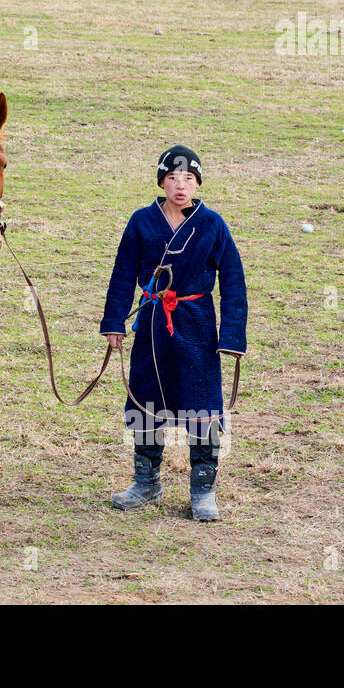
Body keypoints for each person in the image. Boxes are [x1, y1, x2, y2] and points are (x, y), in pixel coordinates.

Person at [100, 146, 248, 523]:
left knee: (203, 405)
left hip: (196, 322)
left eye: (188, 179)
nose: (180, 186)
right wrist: (114, 323)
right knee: (145, 401)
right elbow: (122, 274)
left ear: (197, 182)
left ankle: (203, 491)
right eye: (172, 178)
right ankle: (146, 482)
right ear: (161, 181)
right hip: (151, 323)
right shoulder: (141, 222)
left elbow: (233, 280)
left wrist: (231, 336)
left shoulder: (212, 223)